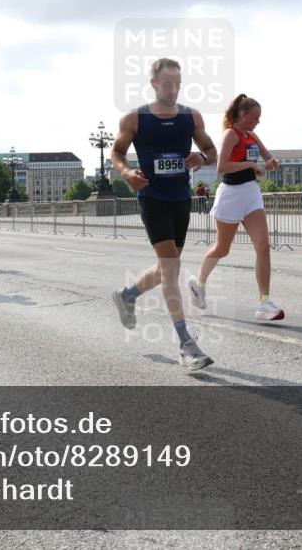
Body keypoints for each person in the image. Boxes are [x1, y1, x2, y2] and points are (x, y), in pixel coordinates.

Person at [110, 58, 218, 372]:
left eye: (177, 84)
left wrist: (201, 156)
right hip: (152, 198)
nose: (173, 90)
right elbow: (116, 152)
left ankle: (127, 295)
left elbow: (212, 150)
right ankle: (186, 344)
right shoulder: (135, 118)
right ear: (154, 84)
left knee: (165, 269)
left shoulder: (190, 117)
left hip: (181, 199)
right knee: (171, 270)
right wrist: (127, 171)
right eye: (167, 84)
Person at [187, 94, 285, 322]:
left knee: (263, 246)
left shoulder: (252, 136)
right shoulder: (231, 134)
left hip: (251, 192)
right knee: (222, 248)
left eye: (259, 118)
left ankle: (264, 303)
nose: (257, 122)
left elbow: (268, 157)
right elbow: (222, 167)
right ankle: (198, 284)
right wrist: (251, 164)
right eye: (254, 118)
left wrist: (272, 162)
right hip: (231, 195)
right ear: (242, 115)